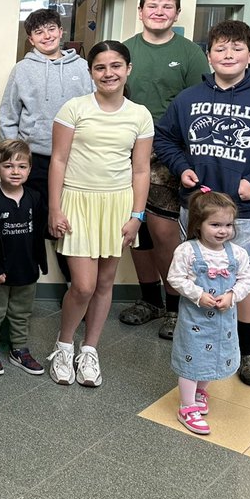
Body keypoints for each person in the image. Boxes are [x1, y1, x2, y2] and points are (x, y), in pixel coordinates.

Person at [154, 19, 250, 388]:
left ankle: (249, 352)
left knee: (246, 279)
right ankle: (199, 341)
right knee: (198, 275)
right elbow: (165, 139)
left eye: (237, 49)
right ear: (209, 56)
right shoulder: (189, 98)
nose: (228, 55)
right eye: (220, 49)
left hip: (246, 214)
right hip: (198, 209)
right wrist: (182, 168)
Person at [47, 41, 153, 388]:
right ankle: (64, 345)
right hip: (78, 202)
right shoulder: (74, 109)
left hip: (118, 206)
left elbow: (140, 170)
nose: (109, 73)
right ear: (91, 72)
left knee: (105, 283)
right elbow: (58, 161)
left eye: (116, 66)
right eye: (100, 67)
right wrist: (55, 207)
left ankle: (89, 350)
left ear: (128, 70)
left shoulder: (140, 115)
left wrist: (137, 214)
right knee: (83, 285)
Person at [119, 0, 211, 339]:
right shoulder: (126, 50)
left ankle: (175, 307)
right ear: (140, 11)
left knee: (163, 231)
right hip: (125, 150)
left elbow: (198, 105)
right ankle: (149, 300)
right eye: (152, 6)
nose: (159, 12)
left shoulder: (190, 54)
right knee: (134, 229)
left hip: (169, 153)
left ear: (176, 12)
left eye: (167, 7)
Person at [0, 7, 92, 281]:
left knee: (69, 224)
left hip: (75, 160)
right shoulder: (23, 70)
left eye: (51, 29)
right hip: (35, 160)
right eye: (39, 32)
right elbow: (8, 115)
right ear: (30, 39)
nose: (46, 35)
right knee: (31, 224)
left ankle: (77, 287)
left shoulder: (81, 67)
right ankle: (24, 284)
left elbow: (93, 109)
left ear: (61, 32)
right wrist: (16, 158)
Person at [166, 189, 250, 435]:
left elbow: (247, 280)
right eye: (215, 224)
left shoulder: (237, 254)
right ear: (198, 224)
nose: (222, 230)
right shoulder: (187, 251)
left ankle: (200, 391)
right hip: (195, 320)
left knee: (213, 358)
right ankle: (187, 406)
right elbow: (175, 277)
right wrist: (197, 294)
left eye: (227, 225)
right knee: (191, 360)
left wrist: (232, 295)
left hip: (223, 321)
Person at [0, 139, 48, 376]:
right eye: (8, 166)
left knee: (21, 312)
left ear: (29, 169)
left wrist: (40, 263)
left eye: (22, 166)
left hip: (27, 269)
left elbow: (39, 233)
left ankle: (19, 349)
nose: (15, 171)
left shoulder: (35, 198)